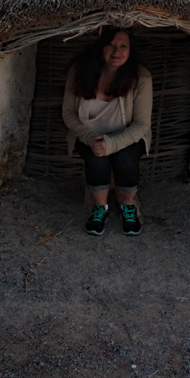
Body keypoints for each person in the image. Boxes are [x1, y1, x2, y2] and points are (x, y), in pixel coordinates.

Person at [62, 27, 153, 236]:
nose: (116, 51)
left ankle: (128, 206)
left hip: (128, 136)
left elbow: (141, 124)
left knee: (125, 160)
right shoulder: (80, 71)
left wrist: (111, 144)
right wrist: (88, 137)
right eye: (110, 45)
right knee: (97, 160)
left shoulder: (140, 78)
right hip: (89, 135)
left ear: (130, 50)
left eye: (123, 46)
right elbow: (68, 113)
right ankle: (100, 208)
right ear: (100, 47)